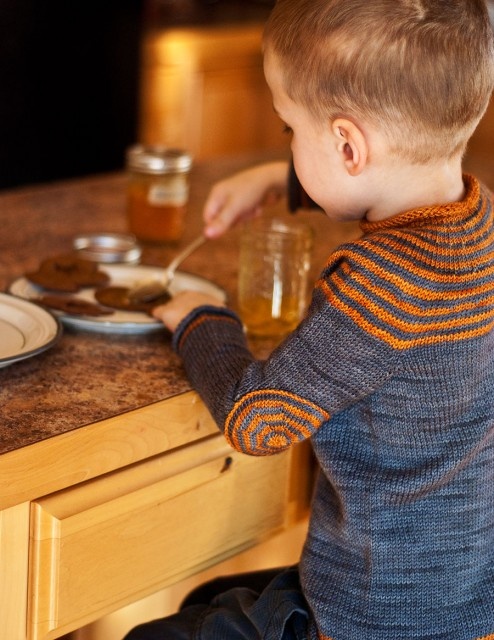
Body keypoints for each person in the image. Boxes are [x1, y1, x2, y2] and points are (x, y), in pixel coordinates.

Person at [124, 0, 494, 638]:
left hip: (366, 619)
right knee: (213, 595)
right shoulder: (480, 221)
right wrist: (283, 180)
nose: (290, 144)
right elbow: (383, 180)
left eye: (290, 131)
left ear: (348, 143)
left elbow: (259, 417)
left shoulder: (377, 289)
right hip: (462, 602)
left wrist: (201, 320)